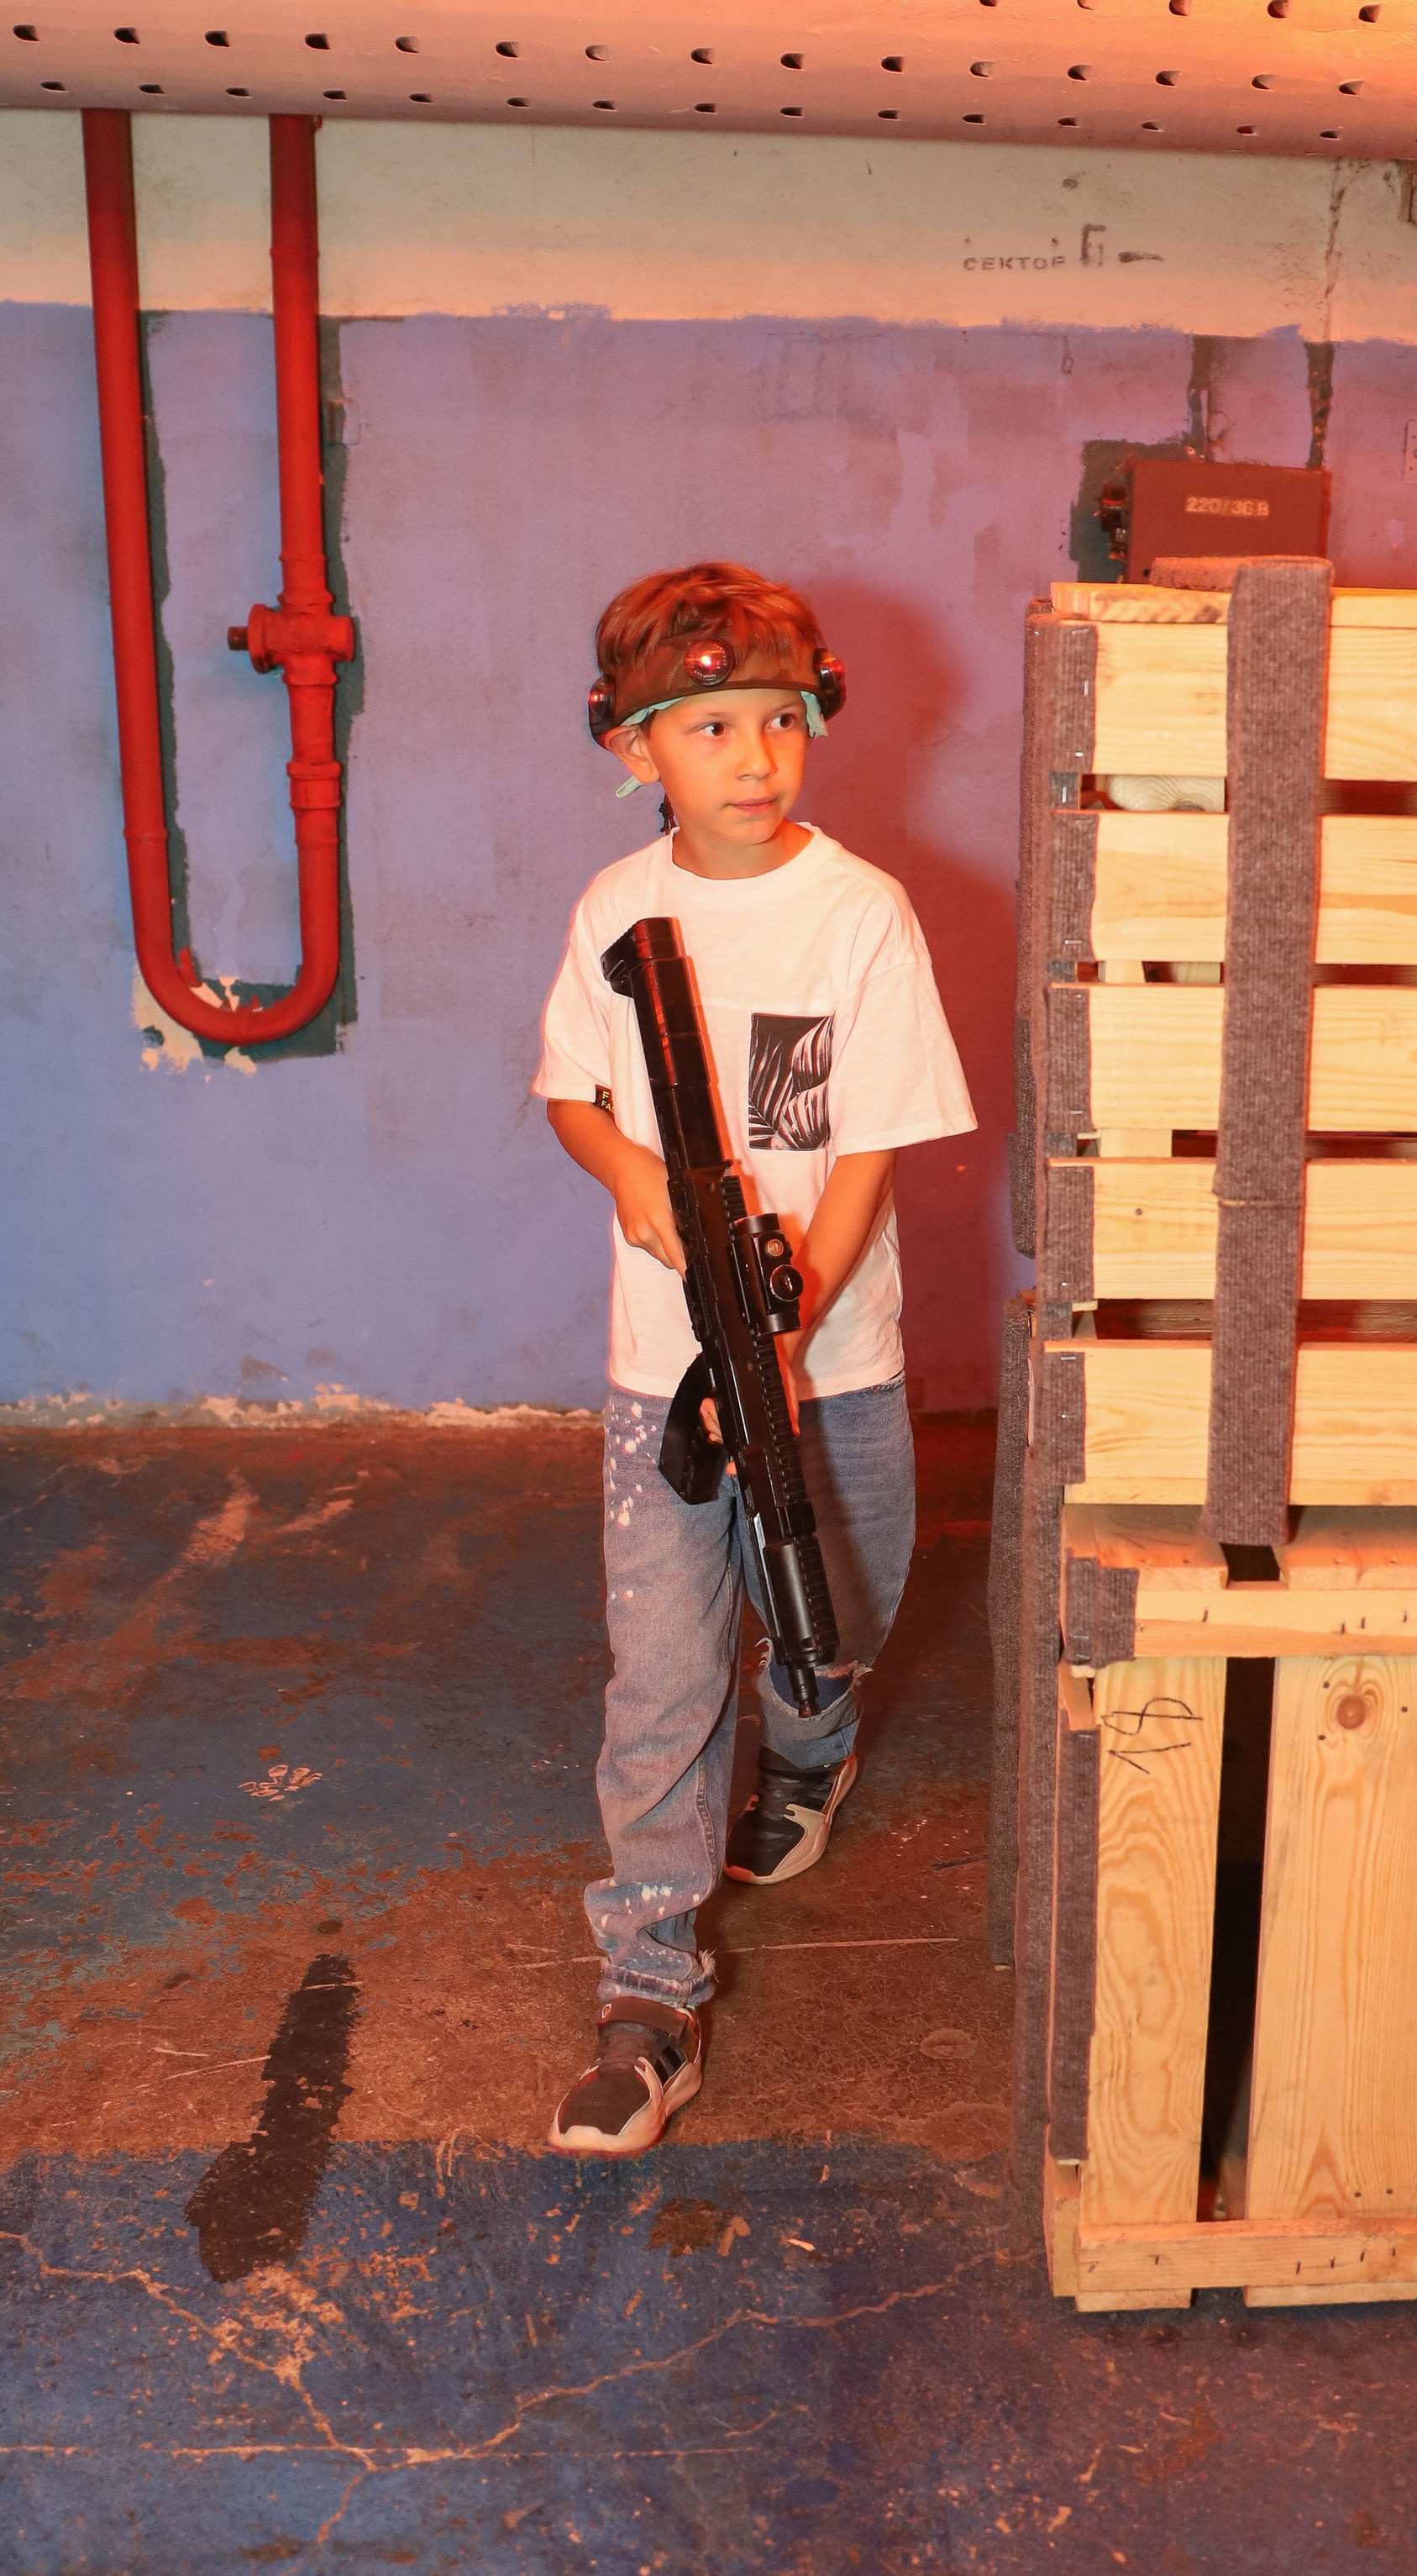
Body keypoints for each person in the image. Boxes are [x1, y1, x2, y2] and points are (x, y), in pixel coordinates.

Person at [533, 561, 974, 2156]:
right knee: (662, 1676)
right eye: (708, 726)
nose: (753, 756)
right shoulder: (615, 912)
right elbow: (573, 1091)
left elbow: (869, 1150)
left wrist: (789, 1321)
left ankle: (814, 1748)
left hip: (831, 1358)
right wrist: (632, 1176)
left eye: (781, 720)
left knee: (833, 1611)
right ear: (633, 748)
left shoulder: (860, 912)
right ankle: (647, 1991)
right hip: (664, 1366)